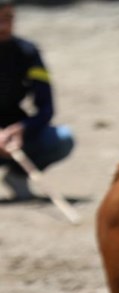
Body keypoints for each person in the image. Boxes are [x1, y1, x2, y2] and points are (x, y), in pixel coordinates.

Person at [0, 0, 74, 201]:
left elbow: (46, 108)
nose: (3, 27)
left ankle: (17, 176)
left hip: (15, 134)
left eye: (8, 18)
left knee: (63, 139)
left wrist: (22, 128)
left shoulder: (27, 52)